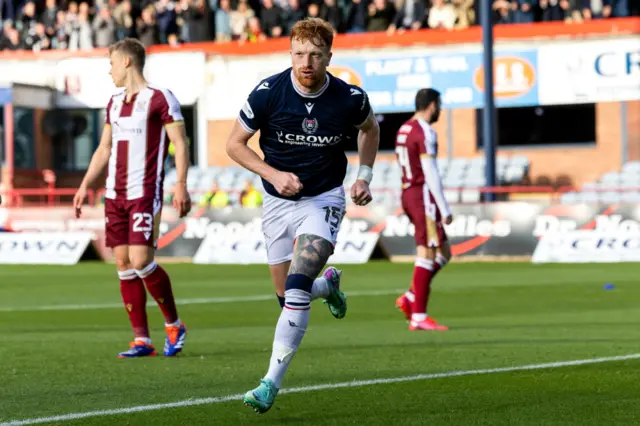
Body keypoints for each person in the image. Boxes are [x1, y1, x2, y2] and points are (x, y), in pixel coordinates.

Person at [226, 17, 380, 414]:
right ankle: (327, 288)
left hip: (324, 198)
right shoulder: (268, 94)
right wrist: (274, 174)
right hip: (277, 202)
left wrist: (363, 176)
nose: (306, 62)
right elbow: (234, 144)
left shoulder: (349, 98)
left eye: (315, 54)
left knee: (295, 287)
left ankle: (268, 385)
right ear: (289, 53)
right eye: (299, 53)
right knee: (287, 297)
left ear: (329, 56)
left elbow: (370, 129)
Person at [72, 38, 192, 358]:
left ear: (127, 61)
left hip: (144, 192)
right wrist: (86, 184)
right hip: (114, 194)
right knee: (123, 264)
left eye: (111, 63)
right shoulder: (113, 102)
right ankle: (142, 339)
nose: (109, 70)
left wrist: (180, 183)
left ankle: (174, 324)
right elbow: (104, 148)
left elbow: (179, 143)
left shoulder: (159, 98)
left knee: (141, 261)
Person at [394, 88, 452, 331]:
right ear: (431, 105)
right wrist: (444, 206)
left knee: (445, 252)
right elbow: (430, 172)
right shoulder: (425, 131)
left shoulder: (404, 128)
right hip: (422, 193)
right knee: (427, 253)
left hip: (408, 191)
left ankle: (410, 296)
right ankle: (418, 315)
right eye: (438, 105)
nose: (439, 110)